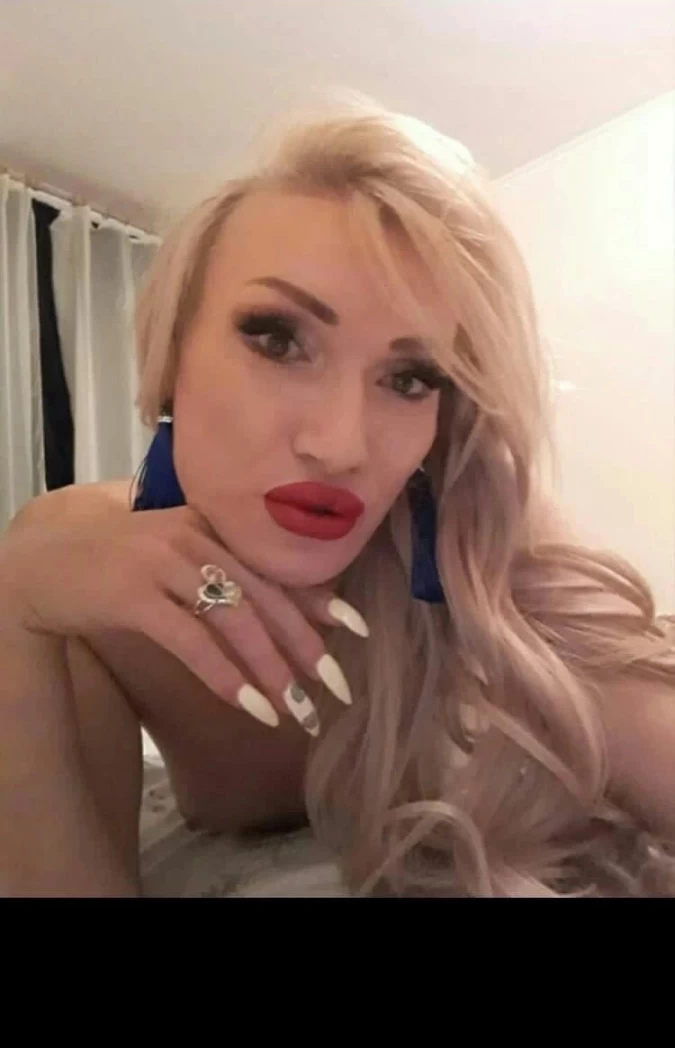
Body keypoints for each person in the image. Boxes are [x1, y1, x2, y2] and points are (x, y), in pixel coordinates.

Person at [1, 101, 674, 898]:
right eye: (278, 339)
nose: (341, 444)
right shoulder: (76, 567)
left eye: (409, 377)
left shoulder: (472, 543)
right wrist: (12, 610)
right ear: (170, 351)